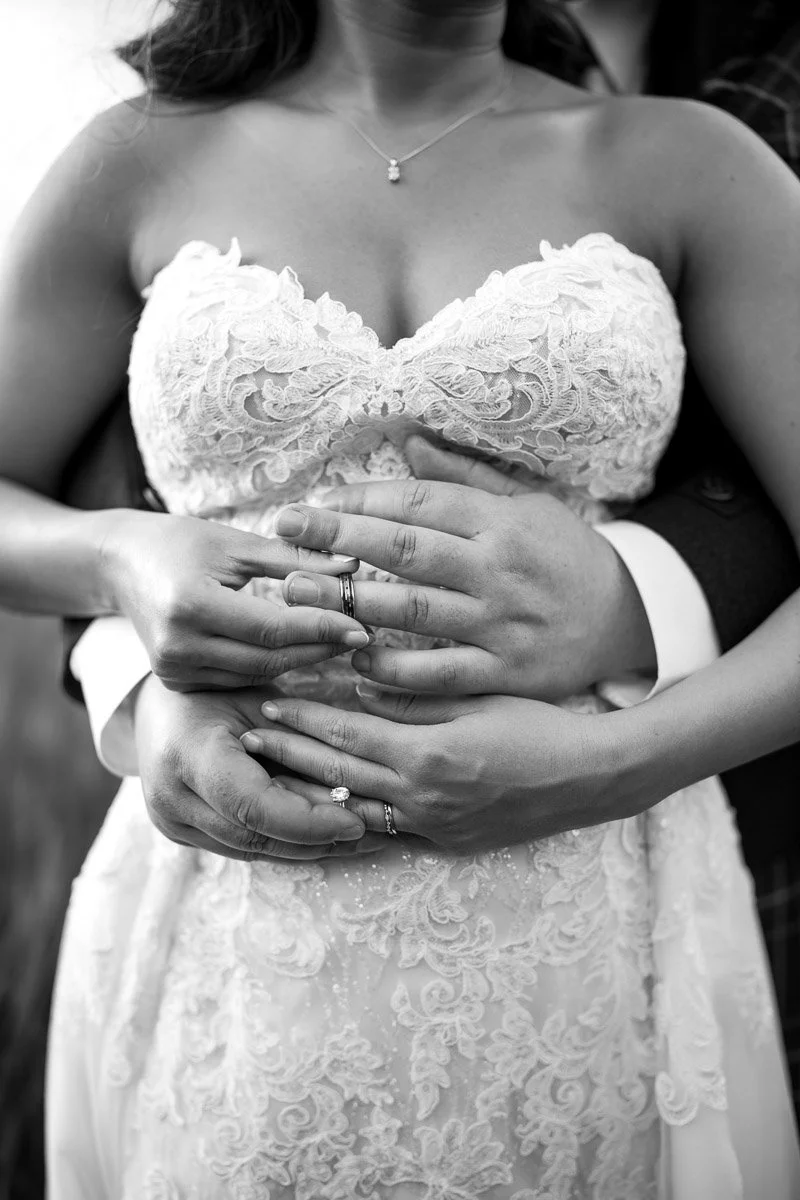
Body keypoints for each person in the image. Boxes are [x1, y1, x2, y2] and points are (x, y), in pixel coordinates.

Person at [0, 1, 798, 1195]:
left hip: (586, 908)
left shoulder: (685, 160)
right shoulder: (140, 157)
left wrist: (614, 766)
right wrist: (120, 556)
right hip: (231, 915)